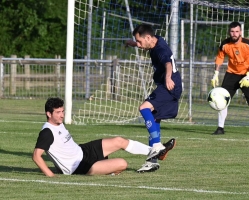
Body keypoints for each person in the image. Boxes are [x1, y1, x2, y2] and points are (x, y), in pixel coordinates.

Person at [32, 97, 176, 176]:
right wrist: (50, 174)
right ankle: (109, 169)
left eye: (62, 111)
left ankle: (155, 151)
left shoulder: (58, 123)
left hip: (83, 151)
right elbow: (36, 156)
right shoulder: (47, 132)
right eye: (58, 112)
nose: (62, 115)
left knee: (119, 141)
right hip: (80, 166)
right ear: (48, 114)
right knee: (122, 164)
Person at [125, 24, 182, 172]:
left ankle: (157, 146)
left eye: (139, 41)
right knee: (154, 119)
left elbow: (168, 64)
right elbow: (148, 46)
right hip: (170, 86)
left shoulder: (160, 49)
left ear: (149, 37)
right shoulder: (155, 42)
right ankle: (152, 162)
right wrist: (133, 44)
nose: (139, 44)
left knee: (144, 108)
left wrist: (168, 78)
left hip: (169, 86)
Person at [211, 21, 249, 136]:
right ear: (229, 32)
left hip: (247, 75)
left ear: (240, 32)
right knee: (223, 101)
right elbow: (219, 58)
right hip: (231, 74)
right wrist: (216, 73)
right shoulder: (225, 44)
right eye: (232, 31)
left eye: (237, 31)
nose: (234, 34)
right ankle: (220, 128)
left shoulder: (248, 43)